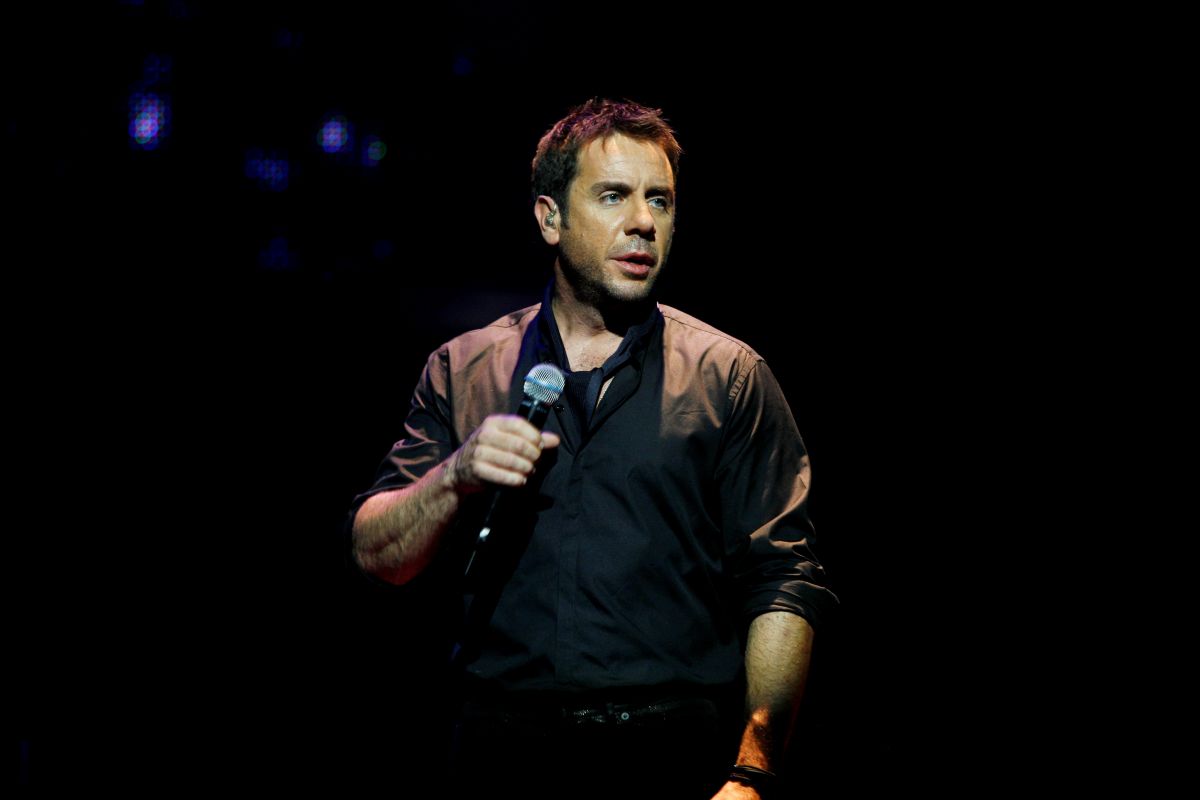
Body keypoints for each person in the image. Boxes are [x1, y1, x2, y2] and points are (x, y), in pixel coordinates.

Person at [347, 98, 836, 799]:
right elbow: (377, 555)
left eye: (660, 200)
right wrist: (454, 475)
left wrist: (753, 768)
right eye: (614, 196)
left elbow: (784, 576)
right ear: (550, 218)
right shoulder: (464, 369)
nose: (644, 222)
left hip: (671, 753)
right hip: (501, 753)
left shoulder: (728, 376)